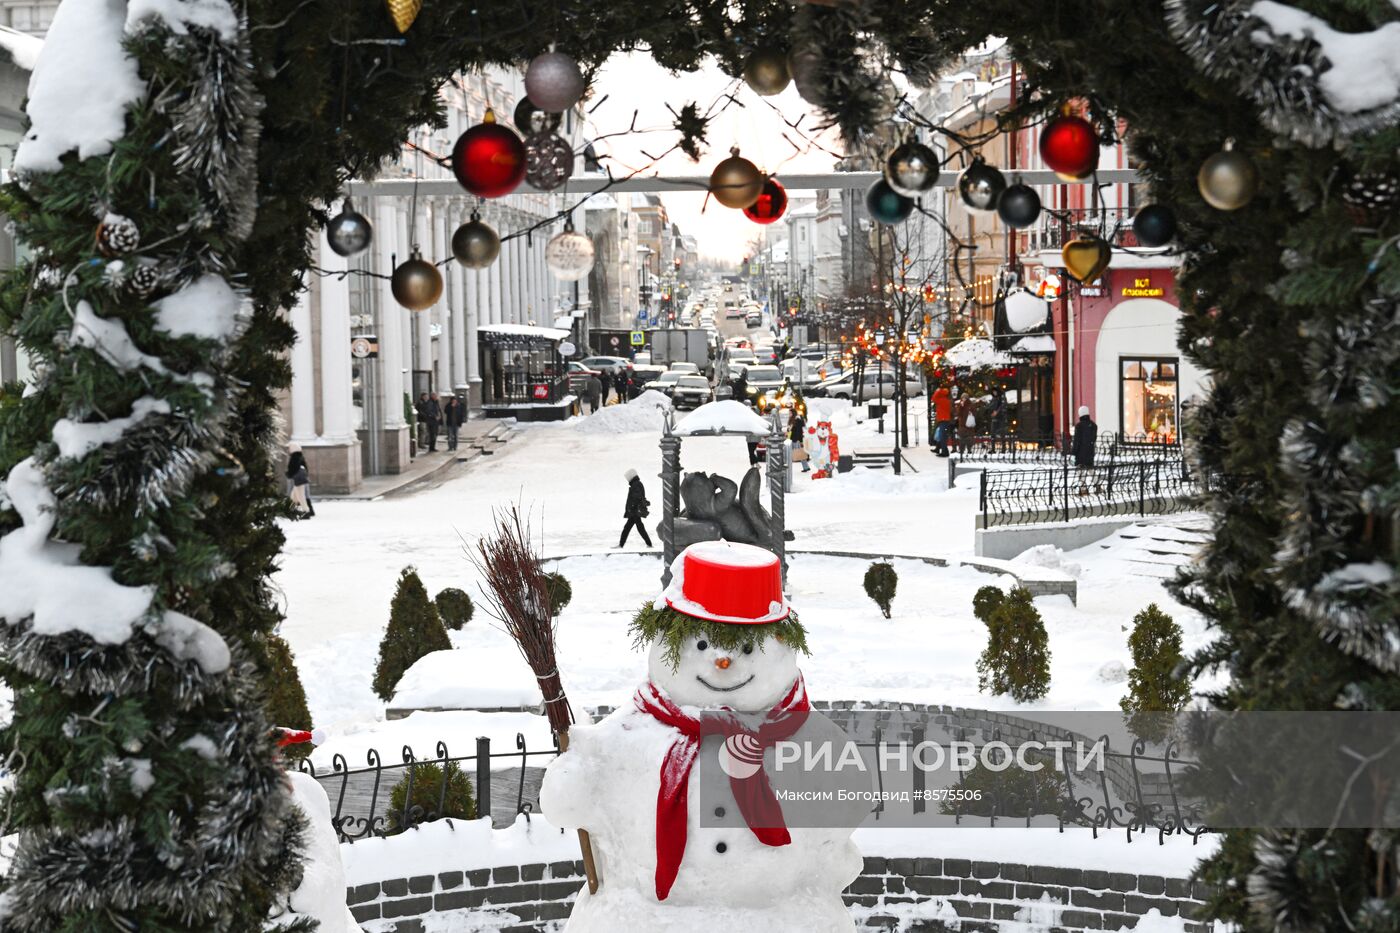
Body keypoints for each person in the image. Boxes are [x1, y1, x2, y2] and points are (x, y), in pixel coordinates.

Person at [617, 468, 652, 548]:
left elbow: (637, 496)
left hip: (635, 511)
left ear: (631, 476)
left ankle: (649, 544)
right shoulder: (636, 484)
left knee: (636, 528)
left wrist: (632, 506)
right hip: (634, 511)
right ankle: (621, 544)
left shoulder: (636, 484)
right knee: (633, 528)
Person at [285, 442, 314, 519]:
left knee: (300, 497)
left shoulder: (294, 458)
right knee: (294, 496)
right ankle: (291, 511)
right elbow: (305, 468)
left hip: (299, 480)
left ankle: (306, 511)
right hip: (301, 479)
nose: (288, 450)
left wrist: (288, 474)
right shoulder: (300, 457)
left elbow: (293, 469)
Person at [931, 383, 953, 457]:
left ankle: (944, 451)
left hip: (942, 419)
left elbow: (933, 398)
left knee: (942, 436)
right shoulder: (947, 400)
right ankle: (942, 449)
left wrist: (939, 390)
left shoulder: (940, 400)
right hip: (945, 419)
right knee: (942, 435)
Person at [788, 405, 810, 472]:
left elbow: (798, 431)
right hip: (792, 439)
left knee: (799, 453)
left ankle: (805, 467)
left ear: (793, 413)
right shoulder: (793, 420)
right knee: (796, 452)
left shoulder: (796, 420)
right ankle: (806, 467)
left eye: (790, 413)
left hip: (795, 439)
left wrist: (798, 440)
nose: (789, 414)